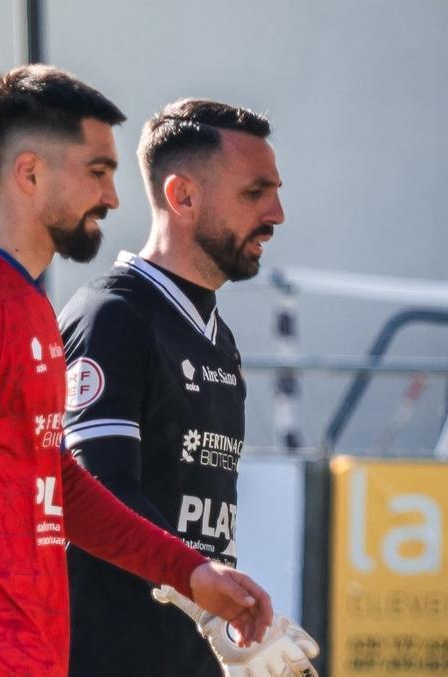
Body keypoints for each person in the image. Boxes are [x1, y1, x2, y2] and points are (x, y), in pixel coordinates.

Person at [0, 67, 273, 677]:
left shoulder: (28, 308)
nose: (114, 197)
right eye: (97, 172)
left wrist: (192, 573)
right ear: (29, 173)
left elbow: (61, 484)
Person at [59, 98, 306, 676]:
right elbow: (98, 490)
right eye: (255, 192)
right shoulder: (112, 316)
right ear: (183, 196)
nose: (277, 213)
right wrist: (203, 591)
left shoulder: (219, 339)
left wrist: (222, 612)